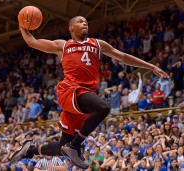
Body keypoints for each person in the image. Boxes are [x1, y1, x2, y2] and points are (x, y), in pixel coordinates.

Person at [10, 16, 168, 169]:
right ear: (71, 28)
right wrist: (22, 23)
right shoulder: (63, 45)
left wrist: (151, 66)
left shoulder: (97, 44)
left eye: (85, 22)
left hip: (84, 97)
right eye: (79, 21)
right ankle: (74, 146)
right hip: (71, 90)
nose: (84, 23)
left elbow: (124, 57)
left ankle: (29, 150)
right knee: (104, 107)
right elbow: (32, 42)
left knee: (61, 147)